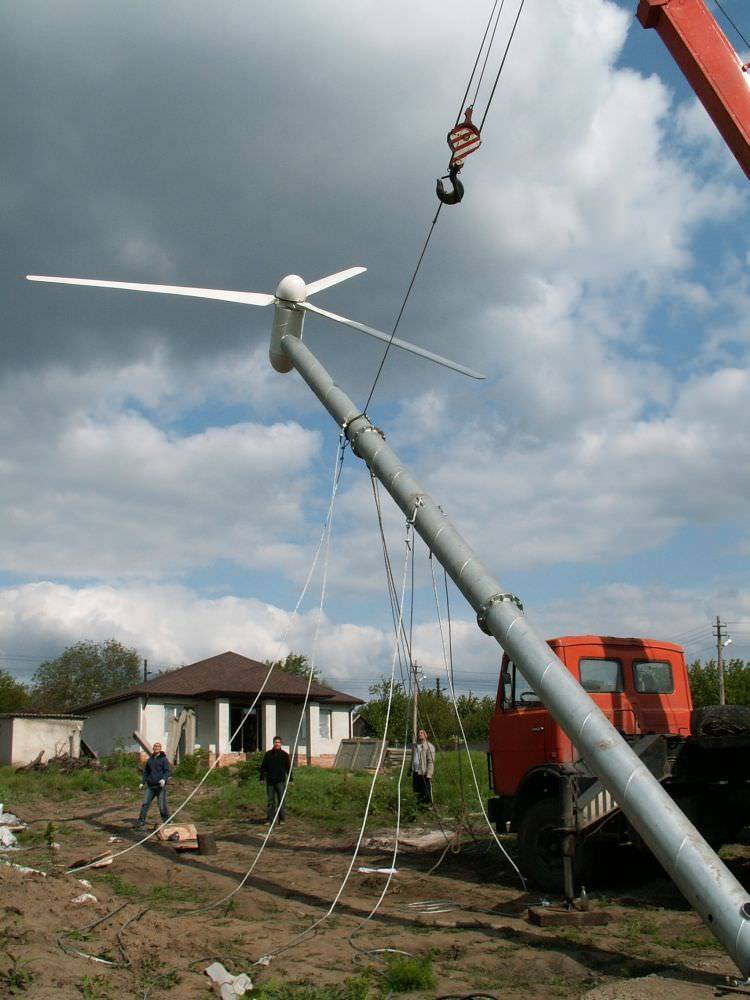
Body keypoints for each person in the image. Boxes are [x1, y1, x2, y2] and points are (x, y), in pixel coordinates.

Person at [135, 741, 171, 828]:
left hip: (160, 786)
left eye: (158, 746)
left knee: (161, 805)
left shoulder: (163, 759)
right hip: (150, 786)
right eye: (155, 746)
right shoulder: (150, 760)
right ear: (153, 748)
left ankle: (167, 821)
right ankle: (141, 821)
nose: (156, 748)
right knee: (145, 803)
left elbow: (167, 771)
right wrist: (142, 782)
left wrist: (164, 779)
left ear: (160, 748)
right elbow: (146, 772)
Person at [259, 735, 292, 824]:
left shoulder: (284, 755)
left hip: (280, 781)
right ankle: (270, 819)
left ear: (281, 744)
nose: (277, 744)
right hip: (270, 781)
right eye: (276, 742)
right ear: (273, 743)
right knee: (270, 801)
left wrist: (290, 779)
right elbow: (263, 767)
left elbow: (288, 768)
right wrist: (262, 778)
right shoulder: (268, 754)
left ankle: (281, 819)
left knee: (281, 800)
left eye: (278, 742)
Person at [411, 729, 436, 805]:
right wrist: (410, 769)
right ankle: (419, 805)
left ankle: (428, 805)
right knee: (417, 790)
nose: (420, 734)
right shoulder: (416, 746)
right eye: (419, 733)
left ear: (426, 735)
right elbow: (413, 758)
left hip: (424, 772)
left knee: (426, 791)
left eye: (422, 733)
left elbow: (431, 761)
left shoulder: (429, 746)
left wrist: (429, 774)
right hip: (416, 771)